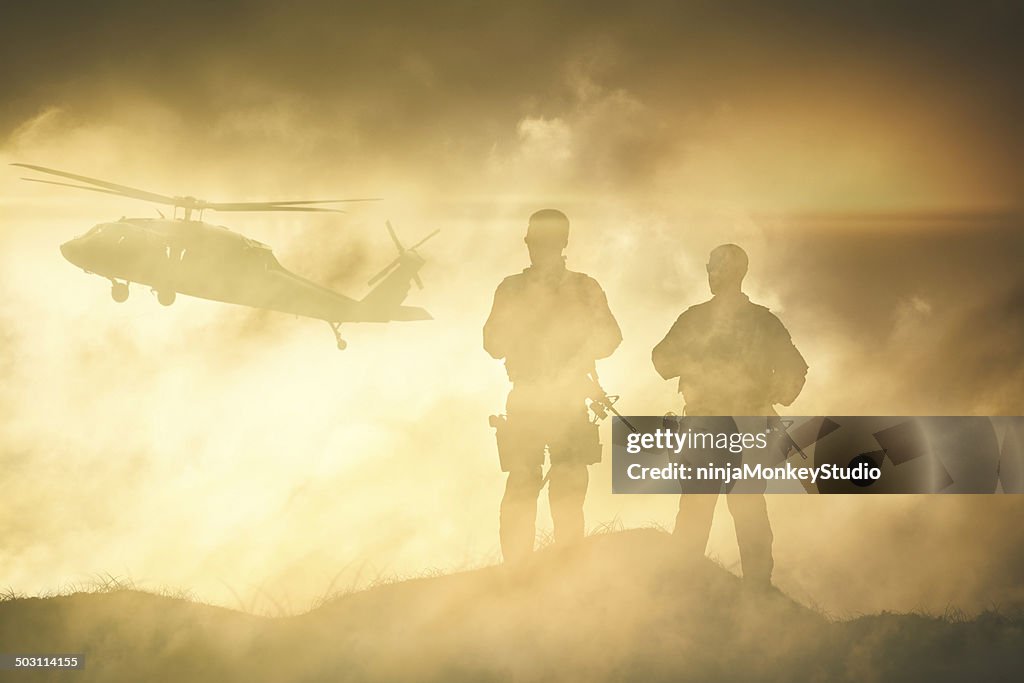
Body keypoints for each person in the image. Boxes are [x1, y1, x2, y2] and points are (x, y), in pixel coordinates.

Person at [651, 244, 807, 587]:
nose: (710, 274)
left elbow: (662, 360)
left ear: (729, 272)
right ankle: (747, 587)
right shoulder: (760, 321)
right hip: (737, 424)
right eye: (710, 268)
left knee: (710, 506)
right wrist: (769, 396)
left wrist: (765, 395)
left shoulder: (698, 319)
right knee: (731, 506)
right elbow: (794, 371)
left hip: (719, 424)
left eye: (714, 268)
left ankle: (695, 584)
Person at [484, 209, 622, 564]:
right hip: (535, 398)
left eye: (543, 241)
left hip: (563, 400)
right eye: (535, 242)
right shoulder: (515, 288)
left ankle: (559, 570)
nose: (537, 248)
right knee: (527, 485)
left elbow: (610, 337)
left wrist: (574, 357)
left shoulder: (581, 286)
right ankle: (523, 571)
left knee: (563, 486)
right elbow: (492, 342)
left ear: (561, 244)